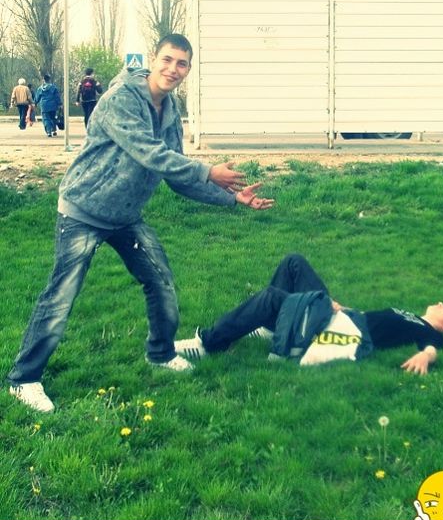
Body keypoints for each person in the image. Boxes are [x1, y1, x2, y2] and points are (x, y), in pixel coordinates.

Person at [7, 33, 274, 413]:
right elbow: (149, 153)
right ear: (153, 59)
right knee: (61, 295)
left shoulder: (170, 110)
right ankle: (23, 380)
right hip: (83, 210)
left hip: (125, 216)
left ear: (188, 69)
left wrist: (232, 198)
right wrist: (207, 169)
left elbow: (177, 176)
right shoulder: (121, 99)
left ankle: (160, 354)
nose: (173, 69)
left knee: (160, 279)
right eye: (167, 60)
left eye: (182, 63)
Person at [175, 254, 443, 374]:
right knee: (294, 262)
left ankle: (210, 343)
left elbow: (432, 348)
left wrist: (425, 357)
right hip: (344, 316)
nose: (441, 303)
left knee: (272, 297)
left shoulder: (426, 330)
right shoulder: (409, 315)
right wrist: (341, 307)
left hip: (340, 328)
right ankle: (274, 327)